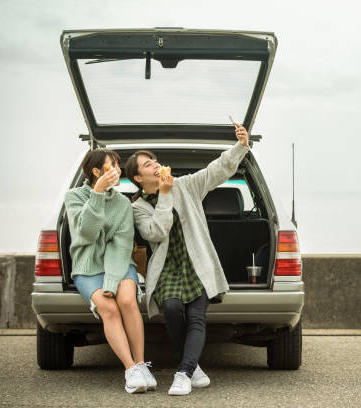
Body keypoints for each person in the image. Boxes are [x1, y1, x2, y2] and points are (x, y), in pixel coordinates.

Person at [125, 123, 250, 396]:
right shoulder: (138, 207)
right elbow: (156, 233)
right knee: (171, 309)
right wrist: (165, 195)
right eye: (148, 164)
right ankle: (194, 367)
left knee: (195, 317)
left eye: (155, 160)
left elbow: (216, 171)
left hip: (197, 264)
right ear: (137, 177)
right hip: (167, 268)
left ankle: (183, 372)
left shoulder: (185, 185)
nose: (155, 165)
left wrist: (240, 146)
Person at [64, 149, 156, 394]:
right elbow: (86, 234)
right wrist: (96, 194)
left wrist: (113, 281)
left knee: (126, 301)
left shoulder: (123, 202)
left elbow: (122, 244)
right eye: (112, 165)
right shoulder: (74, 197)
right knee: (109, 308)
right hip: (88, 267)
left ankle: (141, 363)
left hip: (119, 264)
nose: (118, 169)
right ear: (96, 171)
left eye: (118, 164)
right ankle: (130, 370)